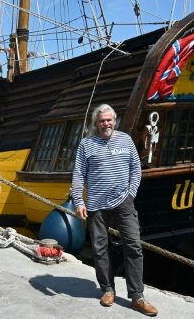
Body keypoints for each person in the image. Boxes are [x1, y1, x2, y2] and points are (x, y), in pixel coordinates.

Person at [71, 104, 158, 316]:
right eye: (102, 121)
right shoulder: (86, 144)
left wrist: (131, 194)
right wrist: (79, 202)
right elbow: (78, 174)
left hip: (123, 202)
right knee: (100, 249)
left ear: (114, 120)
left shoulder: (125, 140)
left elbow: (136, 169)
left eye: (109, 120)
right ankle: (108, 289)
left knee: (134, 247)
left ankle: (137, 296)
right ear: (96, 123)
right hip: (96, 205)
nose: (106, 123)